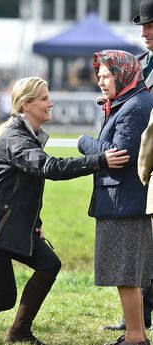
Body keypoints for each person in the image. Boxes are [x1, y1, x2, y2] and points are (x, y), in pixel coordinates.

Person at [0, 76, 129, 344]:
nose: (51, 103)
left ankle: (19, 332)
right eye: (44, 98)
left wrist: (35, 222)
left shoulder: (27, 135)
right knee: (4, 298)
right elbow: (48, 168)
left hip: (8, 223)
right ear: (26, 104)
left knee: (48, 264)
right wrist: (98, 161)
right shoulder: (15, 137)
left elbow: (27, 185)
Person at [77, 50, 153, 345]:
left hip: (125, 201)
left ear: (122, 74)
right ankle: (135, 334)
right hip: (122, 199)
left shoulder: (134, 106)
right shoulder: (127, 101)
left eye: (107, 75)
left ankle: (135, 337)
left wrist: (84, 142)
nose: (101, 81)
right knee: (126, 272)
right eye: (99, 75)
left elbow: (118, 156)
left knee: (127, 273)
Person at [103, 0, 153, 332]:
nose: (145, 32)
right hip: (140, 162)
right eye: (143, 27)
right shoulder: (140, 65)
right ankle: (140, 312)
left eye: (151, 26)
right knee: (143, 239)